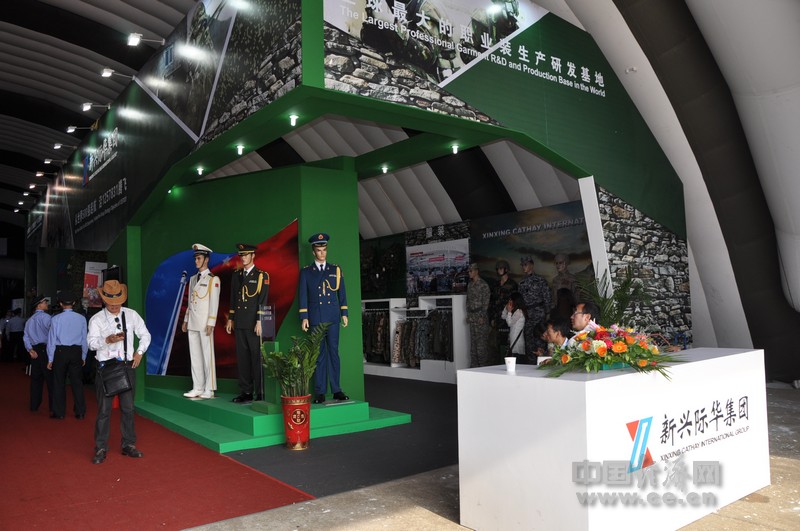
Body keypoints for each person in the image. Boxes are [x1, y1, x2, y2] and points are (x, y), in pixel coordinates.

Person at [87, 280, 151, 464]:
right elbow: (91, 344)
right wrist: (106, 340)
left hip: (127, 367)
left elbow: (145, 335)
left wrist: (139, 353)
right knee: (104, 410)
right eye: (110, 303)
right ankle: (100, 447)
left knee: (128, 408)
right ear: (104, 300)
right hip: (106, 369)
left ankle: (128, 444)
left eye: (118, 302)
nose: (114, 306)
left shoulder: (131, 315)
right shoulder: (97, 319)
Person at [298, 233, 349, 404]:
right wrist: (304, 317)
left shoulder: (335, 270)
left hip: (333, 317)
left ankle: (337, 390)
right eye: (319, 250)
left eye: (324, 250)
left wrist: (344, 313)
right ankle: (320, 391)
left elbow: (342, 293)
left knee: (334, 352)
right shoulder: (306, 272)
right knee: (318, 355)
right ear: (313, 252)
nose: (322, 253)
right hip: (316, 318)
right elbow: (303, 296)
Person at [226, 243, 269, 404]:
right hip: (240, 321)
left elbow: (262, 300)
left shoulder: (261, 275)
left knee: (257, 358)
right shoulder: (236, 275)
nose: (243, 258)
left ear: (253, 256)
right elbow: (233, 299)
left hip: (253, 323)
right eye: (241, 255)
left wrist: (259, 321)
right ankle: (246, 392)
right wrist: (231, 318)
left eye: (246, 255)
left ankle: (261, 392)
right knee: (243, 359)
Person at [181, 243, 220, 399]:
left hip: (204, 323)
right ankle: (197, 387)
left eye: (199, 258)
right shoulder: (192, 279)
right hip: (193, 322)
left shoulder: (213, 279)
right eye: (195, 258)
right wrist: (185, 320)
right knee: (195, 356)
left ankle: (209, 388)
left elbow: (214, 303)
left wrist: (211, 322)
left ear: (206, 259)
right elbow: (190, 302)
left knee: (207, 356)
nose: (196, 261)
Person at [46, 291, 88, 420]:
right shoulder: (81, 318)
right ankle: (80, 412)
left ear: (60, 304)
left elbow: (51, 340)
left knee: (59, 382)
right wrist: (83, 356)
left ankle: (59, 412)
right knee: (77, 382)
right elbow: (84, 339)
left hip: (60, 352)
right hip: (76, 351)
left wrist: (50, 358)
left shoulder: (55, 319)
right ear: (74, 303)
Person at [24, 295, 54, 413]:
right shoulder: (46, 317)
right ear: (38, 305)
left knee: (36, 379)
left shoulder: (29, 320)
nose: (47, 303)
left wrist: (30, 349)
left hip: (35, 350)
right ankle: (53, 407)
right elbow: (53, 332)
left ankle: (34, 405)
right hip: (46, 349)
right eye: (44, 302)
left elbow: (26, 337)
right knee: (51, 379)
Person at [518, 256, 551, 359]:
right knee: (529, 340)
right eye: (522, 265)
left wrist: (548, 313)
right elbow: (520, 300)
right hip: (527, 315)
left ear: (531, 265)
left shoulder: (540, 280)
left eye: (526, 265)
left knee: (540, 339)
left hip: (539, 313)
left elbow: (547, 297)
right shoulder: (521, 283)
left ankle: (542, 360)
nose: (524, 267)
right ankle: (531, 362)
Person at [489, 259, 518, 361]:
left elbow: (516, 302)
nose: (499, 270)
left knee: (507, 344)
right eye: (498, 268)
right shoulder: (495, 285)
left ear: (506, 269)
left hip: (508, 319)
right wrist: (492, 318)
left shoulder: (513, 284)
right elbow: (492, 302)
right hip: (497, 319)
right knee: (496, 345)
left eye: (501, 268)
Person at [466, 262, 491, 367]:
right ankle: (474, 369)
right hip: (472, 318)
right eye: (468, 271)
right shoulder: (470, 285)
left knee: (481, 347)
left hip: (480, 318)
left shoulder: (483, 285)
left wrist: (482, 316)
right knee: (473, 347)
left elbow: (486, 302)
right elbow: (468, 301)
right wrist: (468, 315)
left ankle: (483, 369)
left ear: (476, 271)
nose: (469, 273)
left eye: (471, 271)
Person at [501, 291, 526, 361]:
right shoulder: (516, 310)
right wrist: (506, 308)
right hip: (513, 339)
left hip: (516, 341)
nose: (509, 301)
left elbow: (509, 323)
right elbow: (503, 317)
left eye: (511, 300)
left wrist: (509, 311)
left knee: (516, 360)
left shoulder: (519, 312)